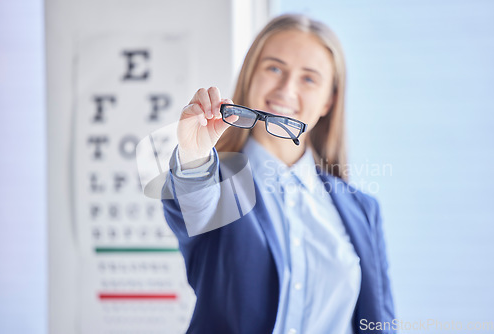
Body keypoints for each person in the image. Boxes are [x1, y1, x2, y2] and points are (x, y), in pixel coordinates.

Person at [161, 14, 395, 334]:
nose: (286, 89)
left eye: (309, 78)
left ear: (329, 101)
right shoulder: (219, 185)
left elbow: (380, 323)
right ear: (249, 76)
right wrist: (194, 155)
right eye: (274, 68)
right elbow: (193, 203)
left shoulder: (363, 211)